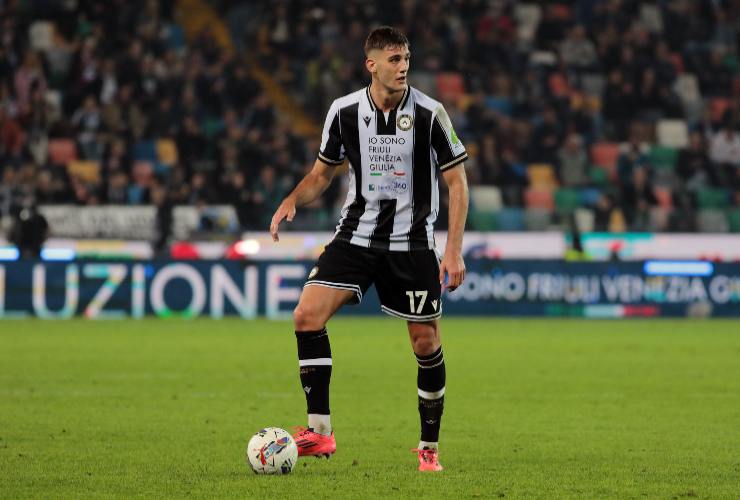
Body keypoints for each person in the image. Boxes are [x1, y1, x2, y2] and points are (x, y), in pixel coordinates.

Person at [270, 27, 469, 472]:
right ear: (372, 64)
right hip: (355, 237)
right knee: (306, 315)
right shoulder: (342, 112)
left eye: (407, 59)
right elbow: (322, 174)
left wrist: (453, 251)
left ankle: (428, 448)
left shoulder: (431, 114)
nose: (403, 67)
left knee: (425, 341)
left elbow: (456, 182)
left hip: (413, 244)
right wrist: (291, 199)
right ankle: (320, 433)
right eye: (395, 59)